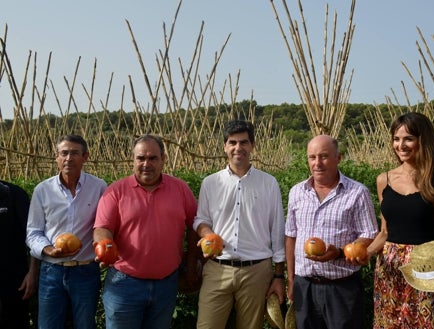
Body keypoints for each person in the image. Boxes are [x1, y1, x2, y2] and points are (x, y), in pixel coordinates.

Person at [364, 112, 434, 328]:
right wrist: (367, 253)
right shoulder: (384, 180)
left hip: (427, 268)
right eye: (396, 139)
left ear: (423, 140)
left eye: (408, 138)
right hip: (389, 271)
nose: (401, 145)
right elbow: (385, 232)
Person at [93, 134, 198, 329]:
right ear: (133, 160)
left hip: (166, 284)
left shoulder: (180, 189)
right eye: (141, 158)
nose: (146, 164)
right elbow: (102, 228)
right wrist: (105, 244)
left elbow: (195, 228)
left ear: (163, 159)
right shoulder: (116, 191)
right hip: (125, 284)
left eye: (153, 158)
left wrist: (191, 267)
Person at [193, 119, 286, 329]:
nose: (238, 148)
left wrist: (279, 275)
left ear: (252, 146)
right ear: (225, 146)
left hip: (257, 271)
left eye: (244, 142)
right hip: (218, 268)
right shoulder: (211, 183)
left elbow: (277, 230)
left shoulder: (268, 183)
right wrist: (207, 233)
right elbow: (201, 219)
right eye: (232, 142)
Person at [285, 134, 378, 329]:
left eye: (324, 156)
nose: (317, 163)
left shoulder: (357, 192)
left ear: (339, 158)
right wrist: (291, 280)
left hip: (341, 287)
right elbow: (291, 236)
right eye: (312, 157)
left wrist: (343, 251)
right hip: (305, 285)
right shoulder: (297, 192)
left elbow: (369, 234)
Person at [26, 134, 107, 329]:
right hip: (51, 270)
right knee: (48, 325)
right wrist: (48, 249)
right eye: (64, 153)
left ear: (85, 157)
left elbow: (106, 225)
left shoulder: (99, 187)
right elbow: (33, 232)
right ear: (56, 157)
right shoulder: (43, 190)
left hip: (86, 270)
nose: (68, 158)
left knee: (85, 324)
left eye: (74, 153)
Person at [0, 180, 39, 329]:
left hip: (14, 281)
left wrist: (32, 272)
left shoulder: (14, 194)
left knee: (15, 321)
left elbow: (33, 235)